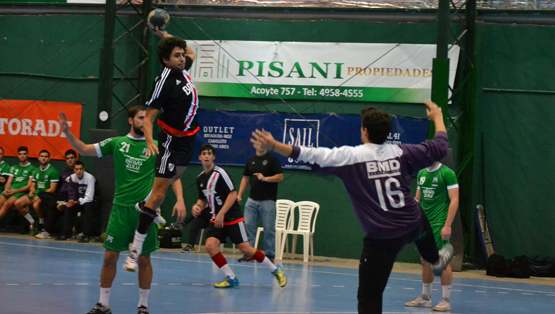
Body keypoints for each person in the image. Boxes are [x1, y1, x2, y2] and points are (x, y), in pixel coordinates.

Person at [251, 100, 454, 314]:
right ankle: (435, 260)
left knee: (369, 297)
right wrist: (438, 118)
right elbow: (440, 146)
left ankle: (434, 259)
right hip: (412, 224)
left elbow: (310, 153)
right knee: (419, 218)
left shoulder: (351, 157)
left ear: (364, 131)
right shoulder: (403, 152)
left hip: (382, 238)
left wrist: (274, 146)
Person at [58, 105, 183, 314]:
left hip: (145, 211)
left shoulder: (157, 146)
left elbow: (171, 175)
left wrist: (180, 199)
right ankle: (103, 304)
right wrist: (67, 133)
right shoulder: (117, 143)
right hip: (120, 210)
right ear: (130, 120)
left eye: (148, 118)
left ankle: (143, 306)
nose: (145, 122)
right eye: (141, 118)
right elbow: (83, 149)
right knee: (110, 257)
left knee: (144, 259)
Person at [124, 27, 200, 272]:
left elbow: (191, 52)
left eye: (181, 55)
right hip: (170, 141)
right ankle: (134, 251)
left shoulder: (182, 68)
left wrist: (166, 35)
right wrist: (149, 141)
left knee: (173, 179)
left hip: (189, 139)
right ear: (166, 61)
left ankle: (144, 204)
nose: (182, 58)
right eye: (176, 55)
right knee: (159, 195)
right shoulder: (164, 82)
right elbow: (148, 117)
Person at [192, 144, 287, 288]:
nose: (206, 156)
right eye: (204, 153)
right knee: (210, 246)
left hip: (231, 217)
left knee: (246, 249)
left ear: (213, 157)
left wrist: (222, 213)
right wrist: (197, 206)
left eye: (209, 153)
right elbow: (202, 199)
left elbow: (233, 194)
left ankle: (275, 270)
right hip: (216, 218)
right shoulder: (200, 179)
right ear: (199, 157)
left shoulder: (220, 174)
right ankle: (230, 277)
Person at [405, 161, 459, 312]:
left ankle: (445, 300)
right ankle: (425, 298)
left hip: (439, 223)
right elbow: (417, 200)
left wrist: (447, 225)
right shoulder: (422, 173)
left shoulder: (447, 173)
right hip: (423, 223)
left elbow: (454, 199)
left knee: (440, 260)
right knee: (424, 259)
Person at [236, 145, 284, 262]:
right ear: (254, 144)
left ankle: (269, 255)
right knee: (248, 227)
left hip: (268, 201)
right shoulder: (251, 160)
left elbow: (280, 176)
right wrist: (239, 194)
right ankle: (249, 253)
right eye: (258, 142)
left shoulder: (273, 159)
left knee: (268, 229)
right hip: (252, 200)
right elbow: (245, 178)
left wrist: (265, 178)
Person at [35, 149, 79, 239]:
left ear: (76, 159)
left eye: (72, 158)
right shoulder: (64, 171)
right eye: (67, 158)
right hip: (61, 194)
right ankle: (58, 202)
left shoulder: (79, 171)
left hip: (71, 196)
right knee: (41, 194)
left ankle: (48, 231)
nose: (70, 160)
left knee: (53, 207)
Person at [14, 149, 59, 232]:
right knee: (18, 203)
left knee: (36, 205)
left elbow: (52, 189)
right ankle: (32, 221)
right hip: (36, 193)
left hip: (46, 195)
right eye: (42, 156)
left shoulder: (53, 171)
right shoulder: (36, 170)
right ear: (38, 158)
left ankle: (41, 222)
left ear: (49, 159)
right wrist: (31, 191)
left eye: (46, 157)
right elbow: (33, 185)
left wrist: (40, 196)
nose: (43, 158)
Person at [56, 161, 98, 242]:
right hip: (78, 201)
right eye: (76, 169)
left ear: (83, 170)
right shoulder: (72, 178)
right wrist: (71, 200)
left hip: (92, 201)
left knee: (88, 206)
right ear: (74, 170)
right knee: (68, 208)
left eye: (80, 169)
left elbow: (89, 197)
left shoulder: (90, 178)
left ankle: (86, 235)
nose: (78, 171)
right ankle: (65, 234)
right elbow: (72, 193)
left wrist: (76, 202)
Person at [0, 146, 37, 231]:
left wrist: (15, 191)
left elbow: (29, 186)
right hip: (10, 190)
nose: (22, 156)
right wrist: (6, 189)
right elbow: (9, 182)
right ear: (17, 155)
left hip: (19, 192)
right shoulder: (14, 167)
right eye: (20, 154)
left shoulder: (32, 168)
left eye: (24, 154)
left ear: (28, 155)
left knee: (6, 204)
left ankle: (33, 223)